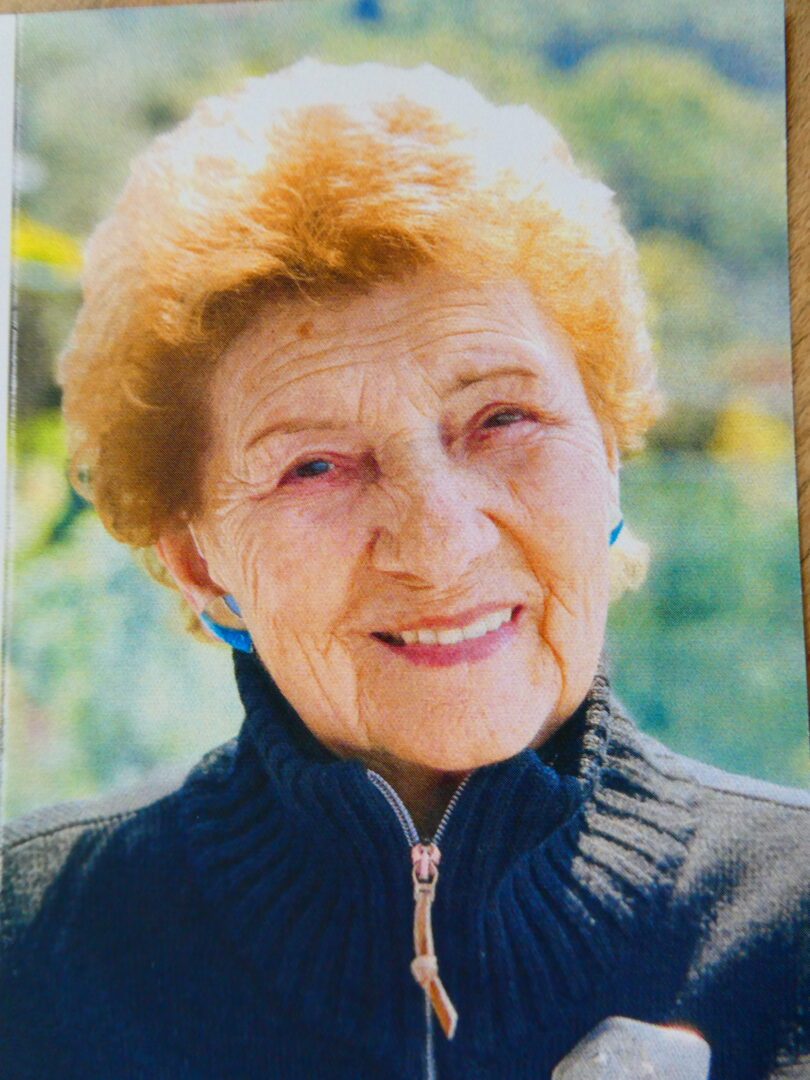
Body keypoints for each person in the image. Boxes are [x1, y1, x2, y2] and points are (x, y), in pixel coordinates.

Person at [1, 60, 807, 1080]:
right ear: (199, 562)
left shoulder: (794, 922)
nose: (440, 543)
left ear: (607, 459)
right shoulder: (31, 942)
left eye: (503, 417)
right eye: (315, 466)